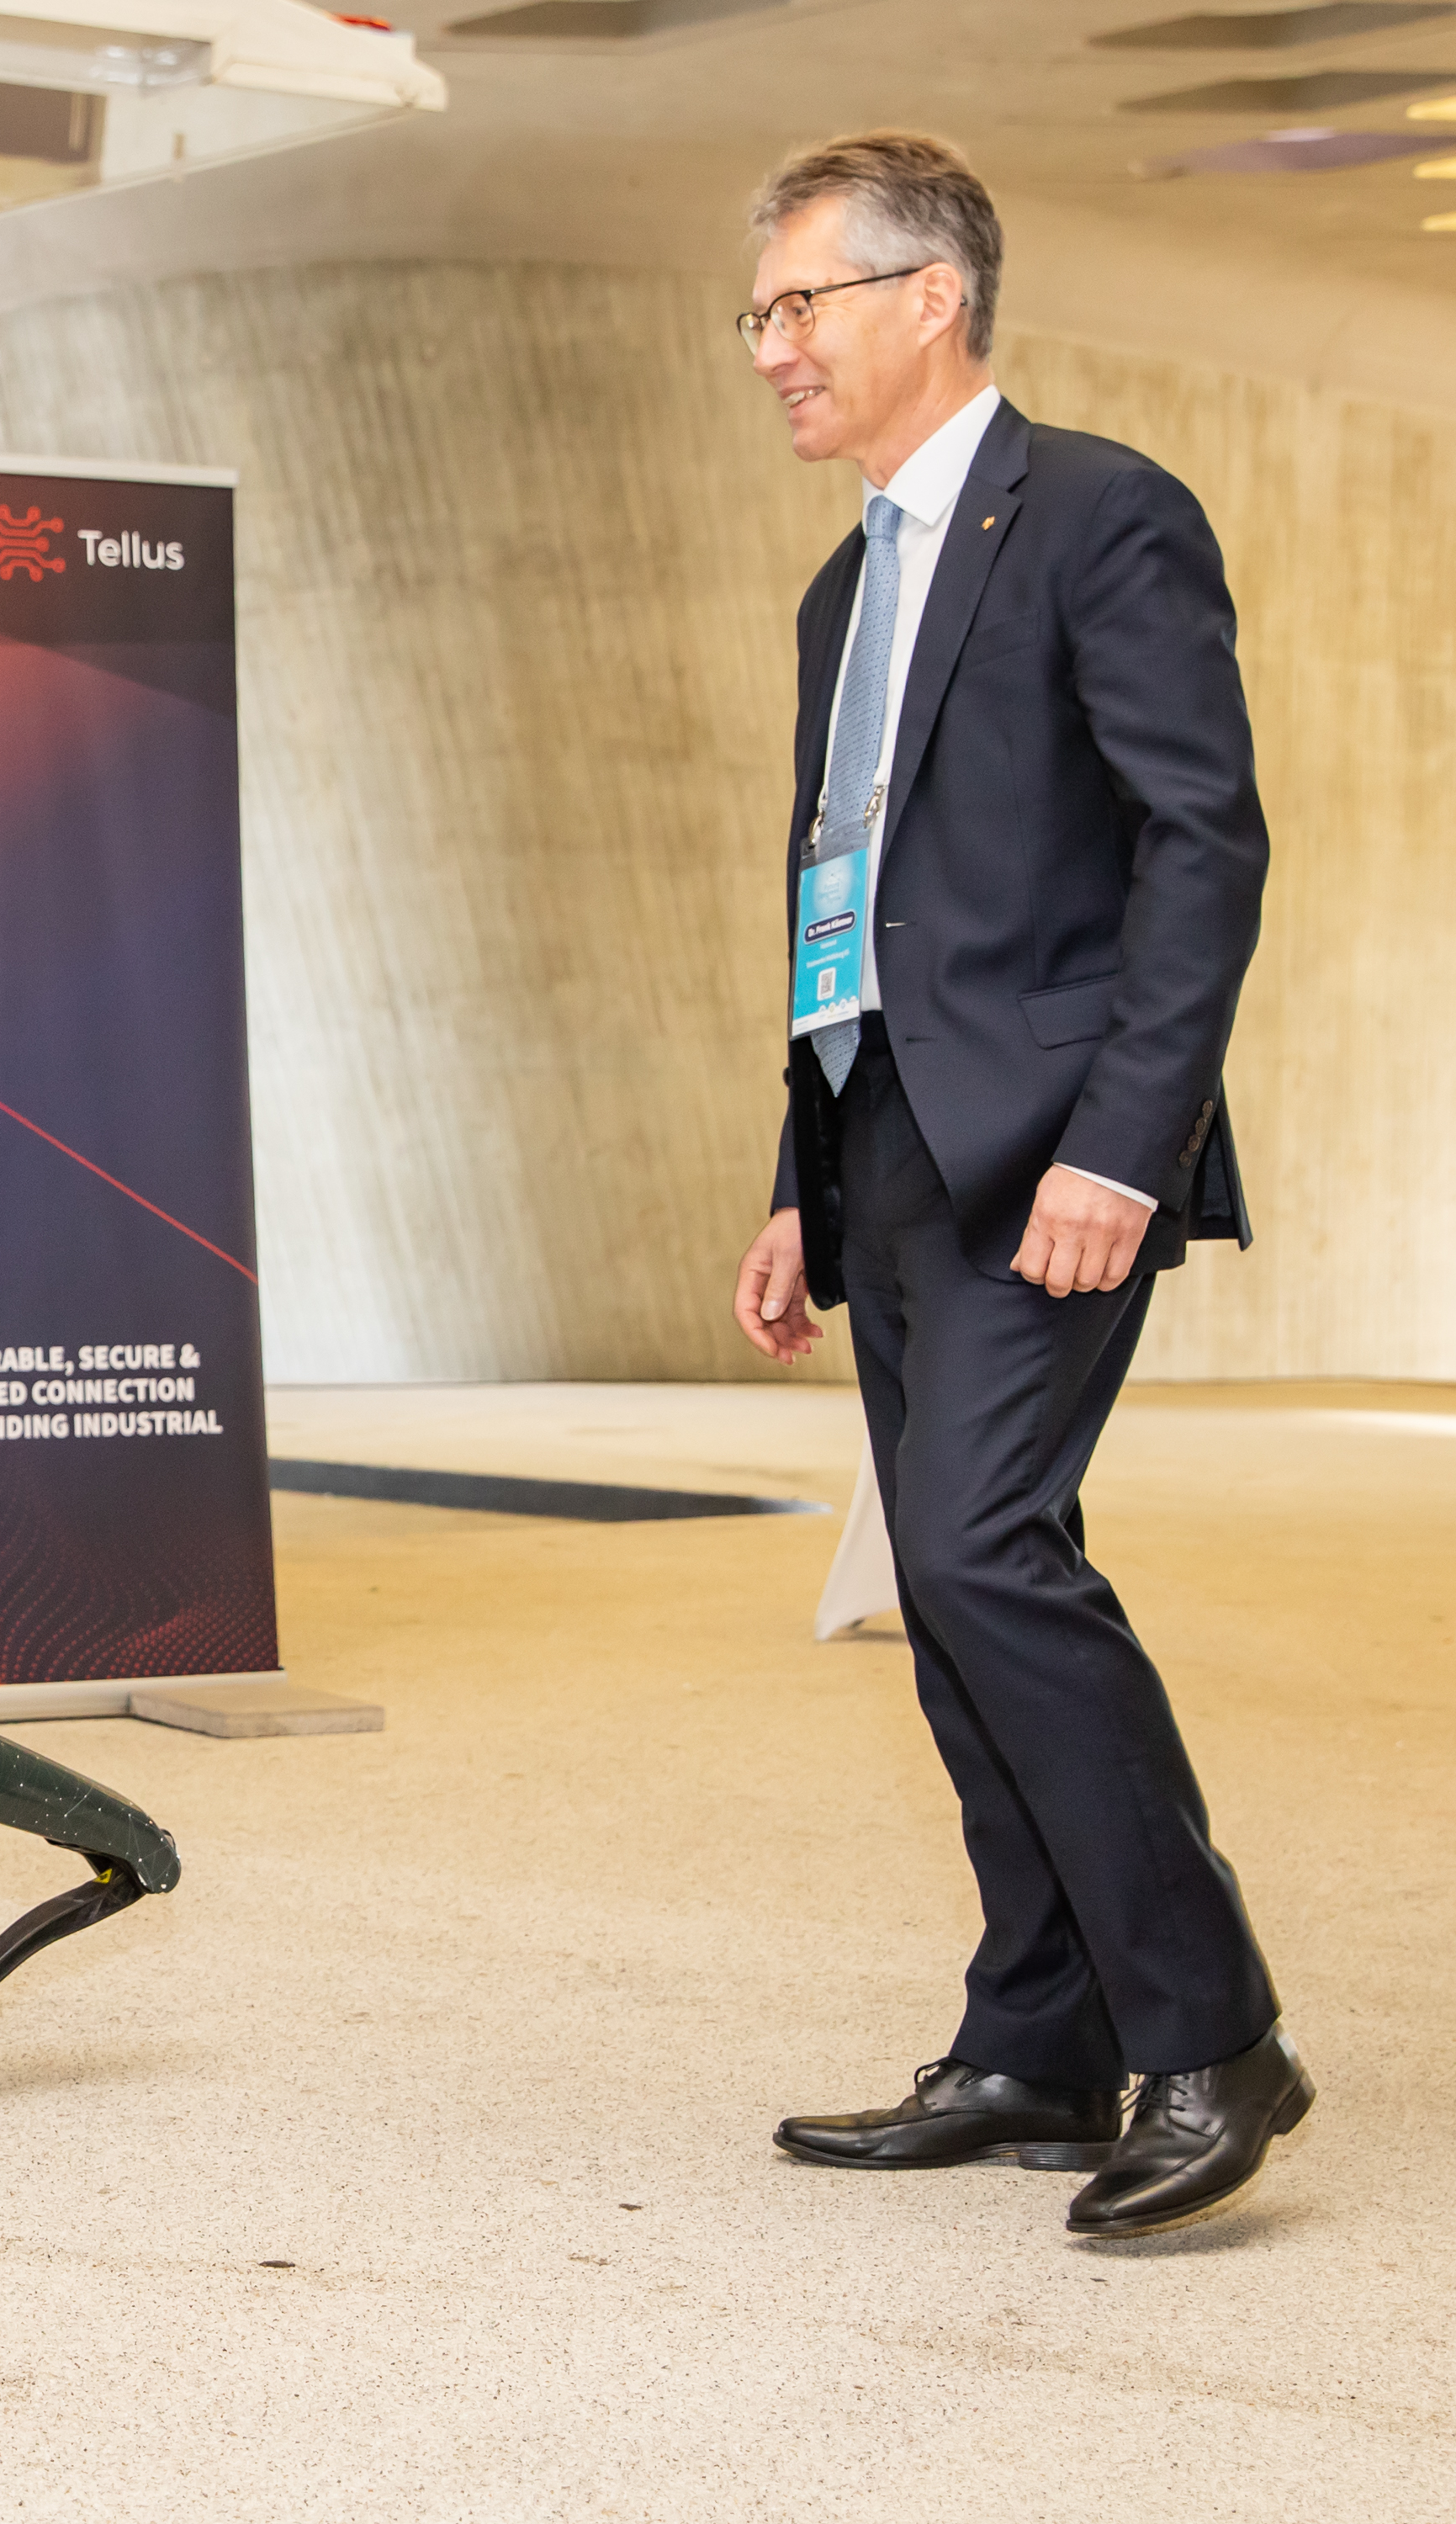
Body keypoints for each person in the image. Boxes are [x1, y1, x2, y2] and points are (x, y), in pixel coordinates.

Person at [728, 134, 1298, 2239]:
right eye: (761, 315)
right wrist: (800, 1168)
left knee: (981, 1556)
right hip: (884, 1141)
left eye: (802, 304)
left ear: (929, 297)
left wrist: (1123, 1148)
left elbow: (1199, 847)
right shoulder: (841, 585)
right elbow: (840, 897)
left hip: (1056, 1144)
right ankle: (1034, 2039)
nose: (772, 350)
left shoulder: (1102, 515)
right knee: (946, 1599)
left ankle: (1212, 2031)